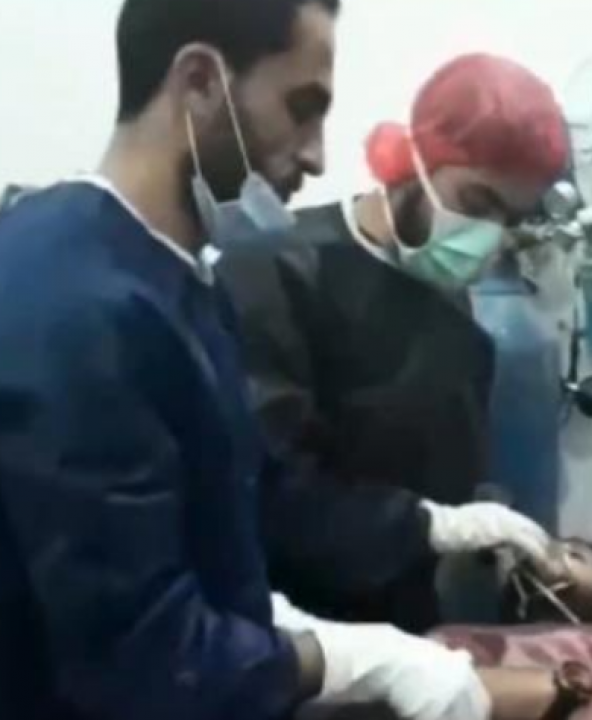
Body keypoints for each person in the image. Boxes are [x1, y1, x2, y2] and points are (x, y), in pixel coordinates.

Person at [0, 1, 554, 718]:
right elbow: (143, 659)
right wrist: (349, 661)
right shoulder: (75, 305)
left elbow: (243, 502)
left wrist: (432, 526)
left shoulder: (180, 282)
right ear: (200, 82)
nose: (318, 156)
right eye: (302, 109)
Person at [215, 53, 569, 633]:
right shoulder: (277, 269)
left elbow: (452, 469)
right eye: (477, 203)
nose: (488, 235)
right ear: (414, 159)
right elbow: (269, 495)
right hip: (289, 635)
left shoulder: (454, 309)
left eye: (510, 218)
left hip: (407, 627)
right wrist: (428, 525)